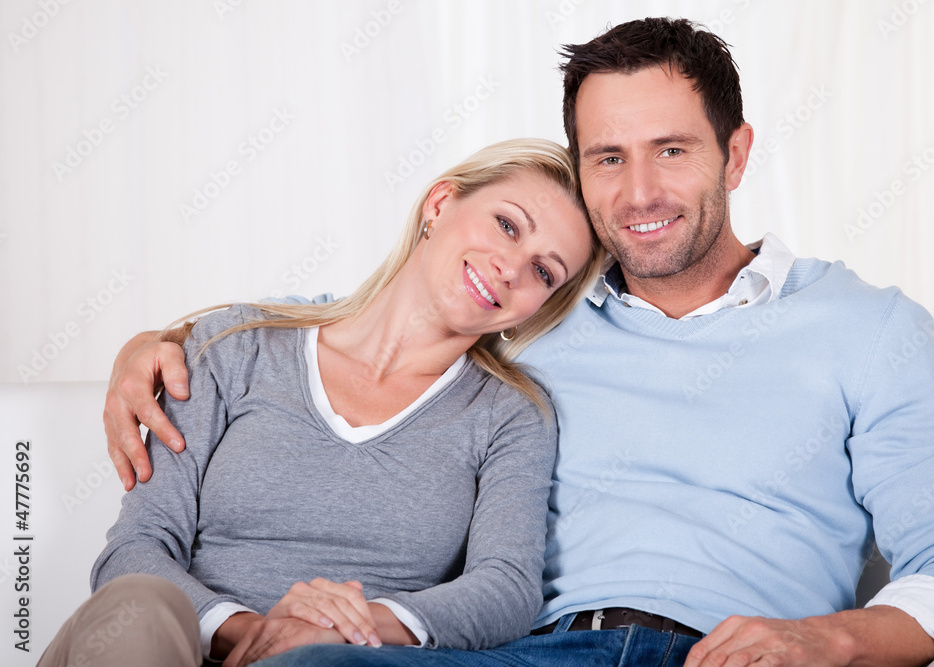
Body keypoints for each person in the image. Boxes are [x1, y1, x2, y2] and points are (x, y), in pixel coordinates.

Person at [102, 17, 934, 667]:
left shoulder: (869, 327)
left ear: (736, 154)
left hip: (735, 655)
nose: (639, 190)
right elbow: (373, 313)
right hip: (532, 654)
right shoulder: (536, 308)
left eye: (673, 151)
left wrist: (831, 638)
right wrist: (165, 338)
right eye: (608, 157)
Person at [40, 138, 605, 667]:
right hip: (165, 650)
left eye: (542, 271)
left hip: (345, 660)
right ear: (440, 203)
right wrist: (251, 632)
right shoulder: (237, 347)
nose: (511, 268)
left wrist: (346, 629)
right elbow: (135, 547)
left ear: (538, 308)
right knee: (139, 603)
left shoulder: (510, 415)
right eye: (507, 225)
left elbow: (505, 586)